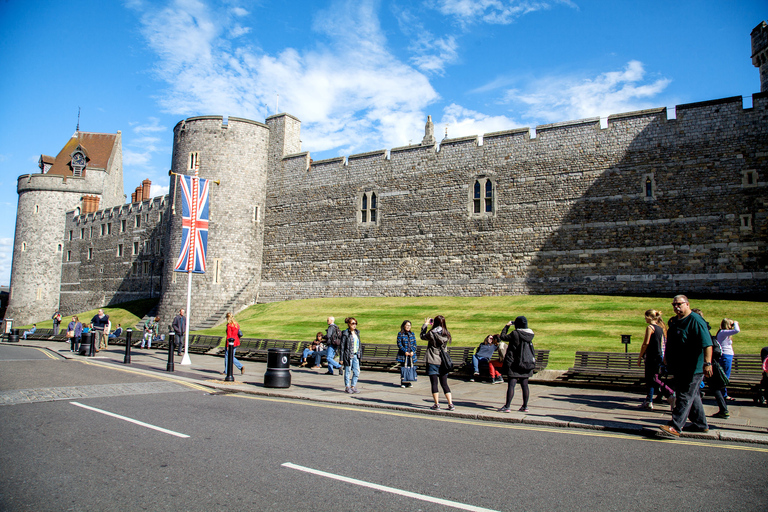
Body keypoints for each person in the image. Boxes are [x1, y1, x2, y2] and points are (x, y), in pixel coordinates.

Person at [659, 295, 713, 437]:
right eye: (674, 304)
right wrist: (666, 357)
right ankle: (701, 424)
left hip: (693, 367)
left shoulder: (695, 320)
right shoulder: (676, 321)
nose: (676, 307)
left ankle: (676, 426)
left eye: (679, 304)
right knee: (692, 395)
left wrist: (708, 363)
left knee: (684, 396)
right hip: (679, 366)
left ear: (687, 304)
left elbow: (707, 343)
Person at [637, 310, 675, 410]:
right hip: (658, 356)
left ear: (650, 317)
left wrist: (640, 356)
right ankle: (649, 401)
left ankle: (670, 393)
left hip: (651, 357)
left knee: (653, 379)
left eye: (646, 317)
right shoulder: (660, 328)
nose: (645, 319)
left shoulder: (650, 327)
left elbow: (646, 343)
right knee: (651, 379)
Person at [498, 316, 535, 412]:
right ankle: (525, 406)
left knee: (511, 385)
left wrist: (507, 326)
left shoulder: (515, 333)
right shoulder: (530, 334)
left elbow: (502, 337)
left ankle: (507, 406)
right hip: (525, 363)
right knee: (525, 385)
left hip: (514, 363)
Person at [420, 315, 455, 411]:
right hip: (443, 361)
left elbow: (422, 336)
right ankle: (450, 404)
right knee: (444, 384)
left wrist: (425, 325)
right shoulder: (446, 333)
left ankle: (437, 404)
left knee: (434, 383)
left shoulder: (431, 333)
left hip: (433, 360)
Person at [716, 318, 740, 401]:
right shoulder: (723, 332)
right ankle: (723, 395)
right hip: (725, 356)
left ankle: (723, 394)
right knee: (725, 376)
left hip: (727, 356)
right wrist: (736, 323)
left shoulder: (723, 333)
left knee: (724, 376)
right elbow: (737, 330)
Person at [340, 317, 362, 394]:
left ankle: (353, 386)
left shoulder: (357, 333)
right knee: (348, 371)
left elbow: (359, 345)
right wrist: (341, 358)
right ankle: (347, 387)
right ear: (349, 324)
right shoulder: (345, 333)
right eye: (352, 323)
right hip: (348, 355)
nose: (354, 325)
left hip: (356, 355)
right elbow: (342, 346)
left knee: (357, 371)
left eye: (355, 323)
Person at [396, 320, 417, 388]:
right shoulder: (400, 334)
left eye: (409, 325)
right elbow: (399, 344)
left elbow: (414, 344)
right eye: (407, 325)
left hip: (411, 355)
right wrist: (405, 351)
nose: (408, 327)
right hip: (403, 355)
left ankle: (409, 381)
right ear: (404, 326)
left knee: (410, 368)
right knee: (404, 368)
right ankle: (403, 382)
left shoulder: (412, 334)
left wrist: (412, 351)